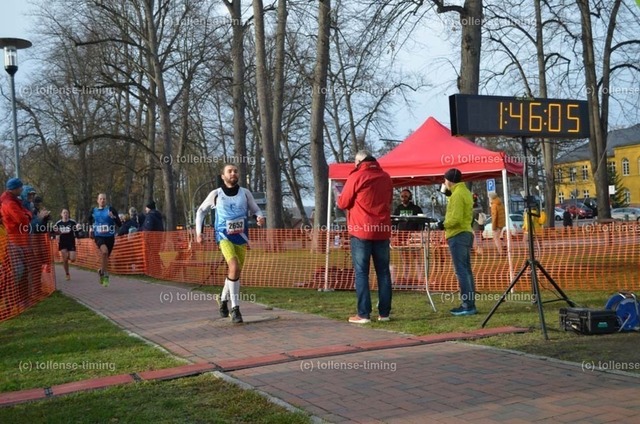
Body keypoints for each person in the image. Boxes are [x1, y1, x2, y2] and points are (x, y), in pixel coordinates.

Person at [195, 164, 265, 324]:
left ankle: (222, 299)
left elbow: (256, 210)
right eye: (229, 171)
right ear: (223, 176)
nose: (233, 173)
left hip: (241, 237)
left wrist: (260, 218)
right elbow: (201, 211)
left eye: (235, 171)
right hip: (223, 235)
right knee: (233, 266)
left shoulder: (245, 193)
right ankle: (235, 309)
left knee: (235, 271)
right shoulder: (216, 194)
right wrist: (199, 232)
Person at [337, 150, 393, 324]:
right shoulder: (386, 177)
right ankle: (384, 314)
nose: (354, 164)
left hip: (361, 230)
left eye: (355, 161)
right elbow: (389, 201)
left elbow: (343, 202)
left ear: (360, 161)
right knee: (383, 272)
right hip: (382, 230)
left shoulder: (356, 176)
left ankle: (363, 314)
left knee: (362, 272)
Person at [441, 168, 477, 316]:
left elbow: (455, 218)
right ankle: (470, 303)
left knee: (461, 271)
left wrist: (442, 224)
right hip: (466, 232)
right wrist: (448, 196)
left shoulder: (457, 195)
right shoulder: (465, 192)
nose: (444, 182)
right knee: (466, 270)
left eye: (445, 180)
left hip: (457, 234)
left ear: (449, 181)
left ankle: (467, 305)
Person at [0, 178, 32, 301]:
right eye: (20, 187)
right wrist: (28, 215)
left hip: (20, 239)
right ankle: (10, 298)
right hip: (15, 240)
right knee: (16, 271)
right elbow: (22, 219)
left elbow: (25, 213)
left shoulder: (14, 201)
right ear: (14, 189)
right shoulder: (9, 203)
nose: (22, 189)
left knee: (22, 270)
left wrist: (27, 214)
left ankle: (20, 298)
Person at [88, 193, 122, 287]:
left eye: (104, 199)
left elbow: (119, 224)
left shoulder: (111, 209)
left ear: (106, 200)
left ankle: (101, 271)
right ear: (97, 200)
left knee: (106, 257)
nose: (102, 200)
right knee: (104, 252)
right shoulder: (93, 210)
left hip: (110, 237)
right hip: (98, 236)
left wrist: (113, 217)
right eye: (101, 199)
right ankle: (105, 275)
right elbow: (89, 220)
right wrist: (90, 228)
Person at [393, 189, 424, 283]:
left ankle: (420, 278)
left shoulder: (416, 208)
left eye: (406, 196)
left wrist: (418, 233)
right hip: (402, 236)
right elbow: (393, 222)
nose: (404, 198)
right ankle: (406, 278)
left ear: (410, 197)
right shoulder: (398, 209)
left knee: (417, 257)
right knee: (405, 258)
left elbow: (421, 222)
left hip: (414, 236)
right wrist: (394, 234)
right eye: (402, 196)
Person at [53, 209, 80, 280]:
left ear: (68, 214)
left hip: (71, 242)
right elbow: (55, 232)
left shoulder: (72, 222)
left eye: (67, 213)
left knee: (72, 259)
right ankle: (67, 274)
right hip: (62, 242)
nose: (65, 214)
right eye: (64, 213)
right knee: (65, 259)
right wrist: (57, 236)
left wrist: (78, 238)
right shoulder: (58, 223)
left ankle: (68, 256)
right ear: (61, 214)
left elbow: (76, 231)